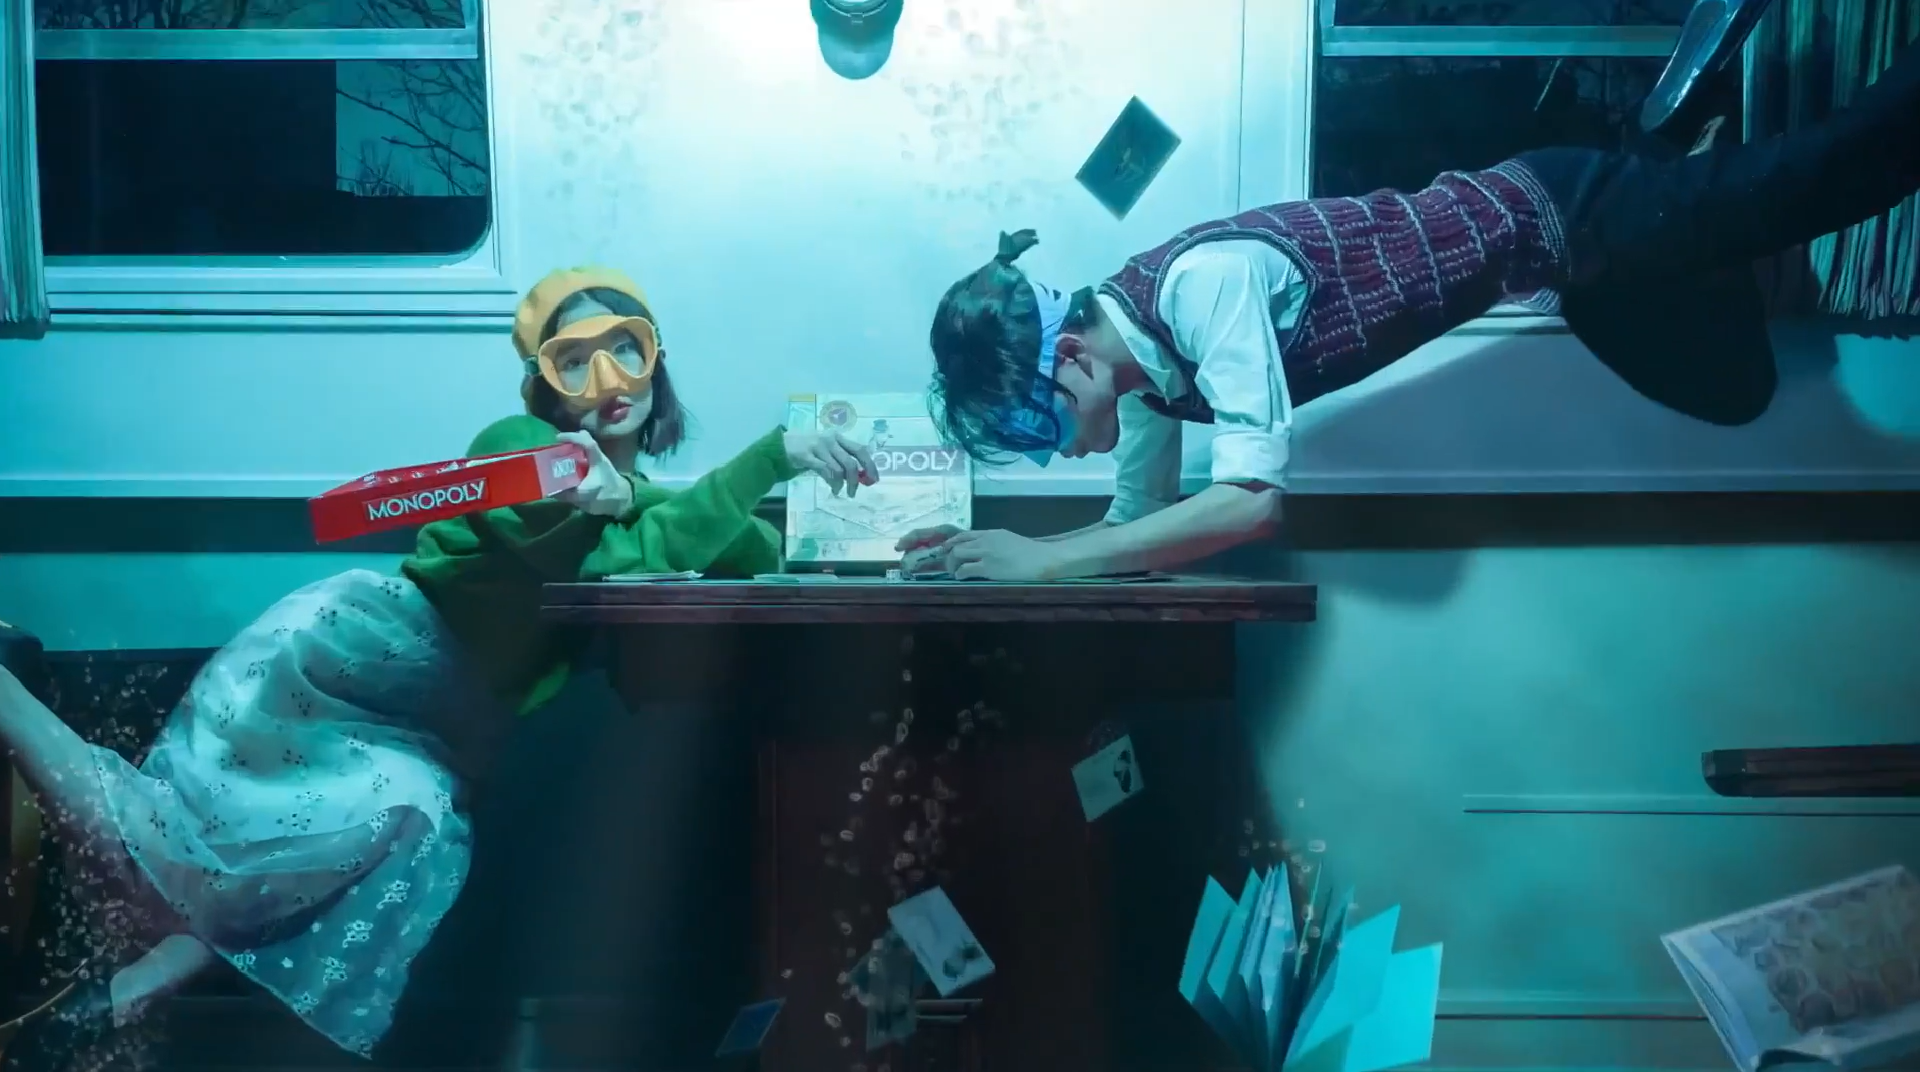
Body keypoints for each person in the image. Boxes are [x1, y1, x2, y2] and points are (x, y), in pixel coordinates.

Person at [0, 266, 874, 1069]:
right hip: (356, 665)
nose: (607, 379)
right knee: (189, 833)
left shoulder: (628, 492)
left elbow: (717, 541)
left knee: (343, 842)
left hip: (440, 715)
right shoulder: (517, 449)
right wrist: (767, 457)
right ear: (543, 381)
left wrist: (827, 520)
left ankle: (131, 990)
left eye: (625, 349)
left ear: (657, 363)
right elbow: (622, 557)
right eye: (574, 361)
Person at [900, 36, 1920, 582]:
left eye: (1036, 430)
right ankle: (1675, 146)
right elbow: (1135, 525)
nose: (1052, 456)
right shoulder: (1144, 376)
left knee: (1818, 180)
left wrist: (1046, 561)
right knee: (1735, 388)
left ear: (1069, 357)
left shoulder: (1198, 290)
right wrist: (983, 560)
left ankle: (1679, 151)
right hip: (1559, 270)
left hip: (1560, 209)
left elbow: (1253, 502)